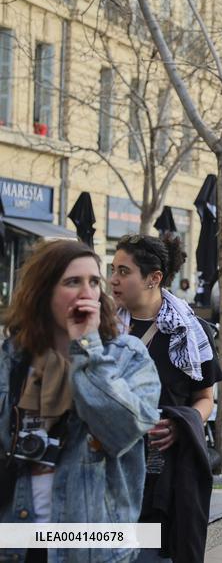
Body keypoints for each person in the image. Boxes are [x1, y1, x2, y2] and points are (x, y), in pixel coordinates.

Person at [1, 240, 160, 562]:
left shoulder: (126, 356)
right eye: (72, 282)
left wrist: (86, 346)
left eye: (93, 282)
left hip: (91, 548)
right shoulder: (12, 358)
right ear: (43, 293)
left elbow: (122, 429)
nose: (86, 291)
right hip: (16, 540)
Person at [110, 234, 222, 562]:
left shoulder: (189, 331)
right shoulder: (100, 327)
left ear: (154, 278)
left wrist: (180, 425)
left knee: (155, 550)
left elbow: (205, 397)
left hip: (165, 469)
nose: (113, 279)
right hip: (109, 461)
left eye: (124, 271)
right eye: (113, 269)